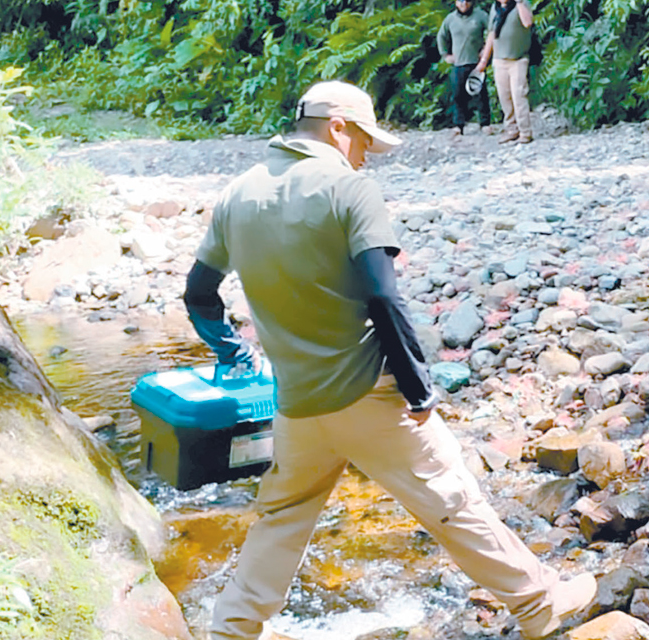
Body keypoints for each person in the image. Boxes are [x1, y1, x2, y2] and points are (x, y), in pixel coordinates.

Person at [184, 80, 596, 640]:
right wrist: (418, 387)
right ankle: (538, 603)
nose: (365, 155)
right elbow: (382, 295)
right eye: (363, 142)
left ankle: (231, 629)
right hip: (367, 390)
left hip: (297, 402)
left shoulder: (240, 193)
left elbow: (199, 294)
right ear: (337, 127)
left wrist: (235, 352)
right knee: (451, 497)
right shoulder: (349, 190)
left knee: (282, 519)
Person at [477, 0, 534, 143]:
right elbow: (492, 34)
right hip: (499, 59)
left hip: (518, 59)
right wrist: (484, 60)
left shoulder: (521, 4)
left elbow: (528, 22)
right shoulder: (495, 9)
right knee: (504, 97)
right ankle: (511, 129)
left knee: (518, 95)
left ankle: (525, 132)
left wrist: (519, 2)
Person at [438, 0, 492, 136]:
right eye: (461, 1)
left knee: (481, 94)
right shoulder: (450, 19)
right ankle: (458, 125)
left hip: (476, 62)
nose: (464, 4)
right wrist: (445, 55)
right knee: (458, 95)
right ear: (456, 3)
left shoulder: (480, 15)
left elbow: (492, 32)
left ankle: (485, 123)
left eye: (467, 1)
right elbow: (441, 36)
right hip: (459, 63)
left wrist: (485, 50)